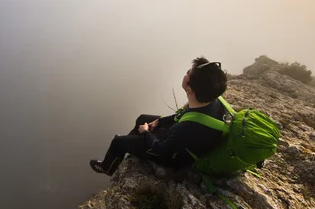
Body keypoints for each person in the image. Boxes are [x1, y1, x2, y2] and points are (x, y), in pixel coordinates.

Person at [90, 57, 228, 175]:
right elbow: (184, 116)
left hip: (172, 157)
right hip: (184, 142)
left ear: (190, 90)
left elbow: (161, 150)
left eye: (188, 73)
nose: (185, 74)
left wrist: (145, 133)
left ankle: (108, 168)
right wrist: (159, 121)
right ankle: (132, 140)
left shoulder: (187, 129)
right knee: (143, 118)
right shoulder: (211, 100)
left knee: (118, 143)